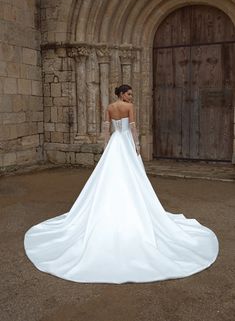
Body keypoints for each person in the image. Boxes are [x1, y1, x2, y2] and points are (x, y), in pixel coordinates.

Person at [24, 84, 219, 284]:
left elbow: (106, 129)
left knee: (109, 176)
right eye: (129, 94)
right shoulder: (128, 107)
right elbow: (133, 128)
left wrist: (106, 148)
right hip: (125, 142)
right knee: (131, 175)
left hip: (115, 144)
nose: (131, 96)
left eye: (131, 94)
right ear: (121, 94)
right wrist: (137, 146)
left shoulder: (110, 107)